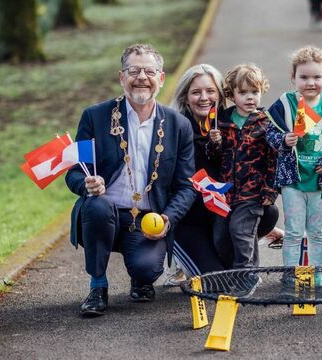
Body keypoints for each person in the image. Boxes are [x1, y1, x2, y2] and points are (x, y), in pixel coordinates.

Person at [65, 43, 198, 317]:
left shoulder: (178, 125)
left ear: (160, 78)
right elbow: (74, 171)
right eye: (133, 70)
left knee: (147, 269)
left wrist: (167, 219)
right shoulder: (95, 116)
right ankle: (98, 286)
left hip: (148, 218)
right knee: (97, 206)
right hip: (107, 212)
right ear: (121, 77)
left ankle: (140, 279)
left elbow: (187, 187)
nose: (141, 77)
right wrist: (87, 185)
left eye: (149, 71)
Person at [167, 65, 283, 281]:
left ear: (221, 95)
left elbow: (257, 161)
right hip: (191, 218)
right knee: (216, 282)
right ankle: (182, 259)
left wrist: (257, 220)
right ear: (185, 96)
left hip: (223, 210)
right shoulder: (177, 129)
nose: (204, 98)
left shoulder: (228, 125)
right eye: (196, 92)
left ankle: (243, 259)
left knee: (268, 213)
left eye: (210, 91)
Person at [266, 46, 322, 285]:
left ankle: (317, 273)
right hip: (293, 179)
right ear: (293, 78)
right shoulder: (285, 104)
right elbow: (270, 132)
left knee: (316, 231)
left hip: (320, 180)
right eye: (304, 77)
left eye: (317, 76)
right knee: (293, 230)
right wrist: (283, 140)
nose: (310, 82)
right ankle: (291, 274)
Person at [208, 63, 278, 269]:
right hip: (226, 192)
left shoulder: (266, 124)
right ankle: (233, 270)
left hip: (252, 192)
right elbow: (214, 157)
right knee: (221, 236)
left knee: (241, 231)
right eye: (243, 92)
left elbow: (274, 160)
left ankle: (247, 273)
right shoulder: (222, 122)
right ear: (232, 94)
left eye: (255, 92)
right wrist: (215, 142)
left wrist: (270, 190)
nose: (250, 97)